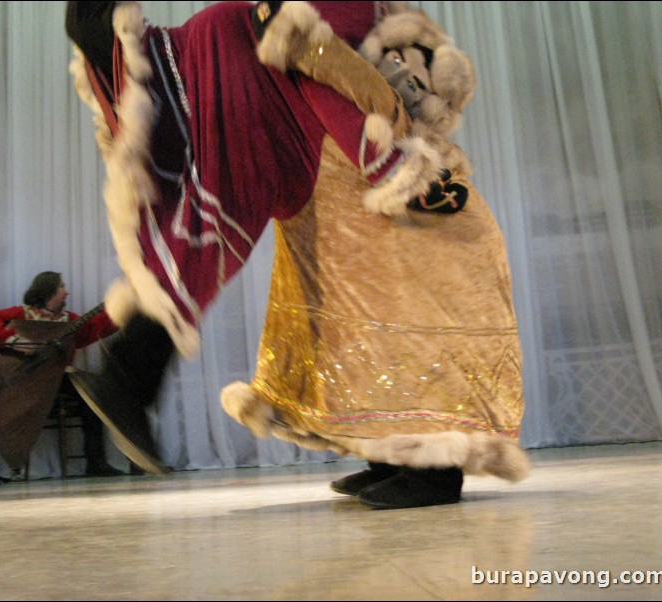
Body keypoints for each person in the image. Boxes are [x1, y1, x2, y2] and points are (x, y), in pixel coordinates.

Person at [64, 1, 456, 475]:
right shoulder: (361, 15)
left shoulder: (381, 25)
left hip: (235, 68)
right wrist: (392, 169)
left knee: (208, 228)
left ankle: (128, 375)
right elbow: (316, 62)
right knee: (213, 226)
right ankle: (126, 377)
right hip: (246, 82)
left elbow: (330, 66)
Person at [221, 1, 529, 509]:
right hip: (338, 186)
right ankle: (389, 455)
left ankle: (435, 470)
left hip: (377, 171)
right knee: (361, 325)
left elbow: (349, 76)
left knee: (418, 311)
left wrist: (395, 169)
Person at [0, 271, 124, 478]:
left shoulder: (69, 320)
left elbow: (93, 329)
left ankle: (96, 463)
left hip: (61, 381)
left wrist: (120, 309)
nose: (67, 292)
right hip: (30, 383)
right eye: (62, 286)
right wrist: (12, 340)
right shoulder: (24, 314)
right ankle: (16, 465)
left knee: (93, 400)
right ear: (49, 290)